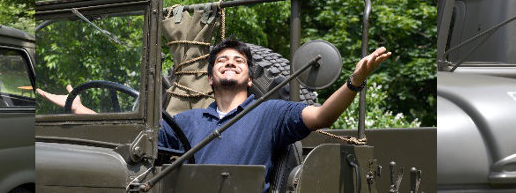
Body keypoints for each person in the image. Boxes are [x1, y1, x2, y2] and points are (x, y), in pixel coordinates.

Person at [38, 39, 392, 190]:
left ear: (250, 78)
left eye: (238, 61)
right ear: (210, 79)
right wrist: (82, 109)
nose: (230, 63)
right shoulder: (188, 121)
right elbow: (137, 138)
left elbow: (321, 118)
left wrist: (355, 81)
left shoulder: (269, 113)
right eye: (222, 60)